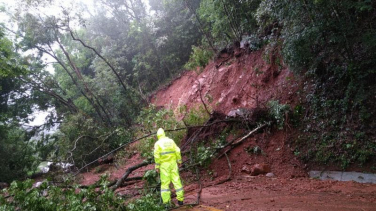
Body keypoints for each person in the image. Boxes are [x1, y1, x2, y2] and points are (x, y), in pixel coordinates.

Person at [154, 128, 184, 207]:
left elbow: (157, 156)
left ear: (158, 135)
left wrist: (157, 166)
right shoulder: (171, 141)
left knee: (165, 184)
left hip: (164, 166)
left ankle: (167, 203)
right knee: (177, 181)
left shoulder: (157, 143)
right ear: (164, 134)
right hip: (173, 164)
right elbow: (177, 151)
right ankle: (180, 200)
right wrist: (179, 161)